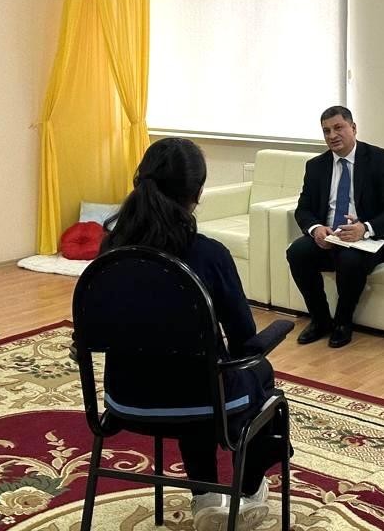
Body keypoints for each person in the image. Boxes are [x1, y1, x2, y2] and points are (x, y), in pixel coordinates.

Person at [100, 137, 285, 531]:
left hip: (126, 400)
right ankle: (249, 486)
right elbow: (244, 340)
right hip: (202, 403)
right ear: (198, 192)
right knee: (250, 372)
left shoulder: (111, 251)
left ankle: (205, 496)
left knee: (192, 373)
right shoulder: (209, 254)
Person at [287, 106, 384, 348]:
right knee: (296, 252)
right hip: (331, 236)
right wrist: (316, 229)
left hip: (370, 238)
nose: (332, 135)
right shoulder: (316, 166)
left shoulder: (379, 159)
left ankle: (343, 322)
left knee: (349, 259)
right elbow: (303, 209)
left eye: (338, 128)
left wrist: (364, 228)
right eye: (326, 131)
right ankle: (320, 319)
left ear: (353, 128)